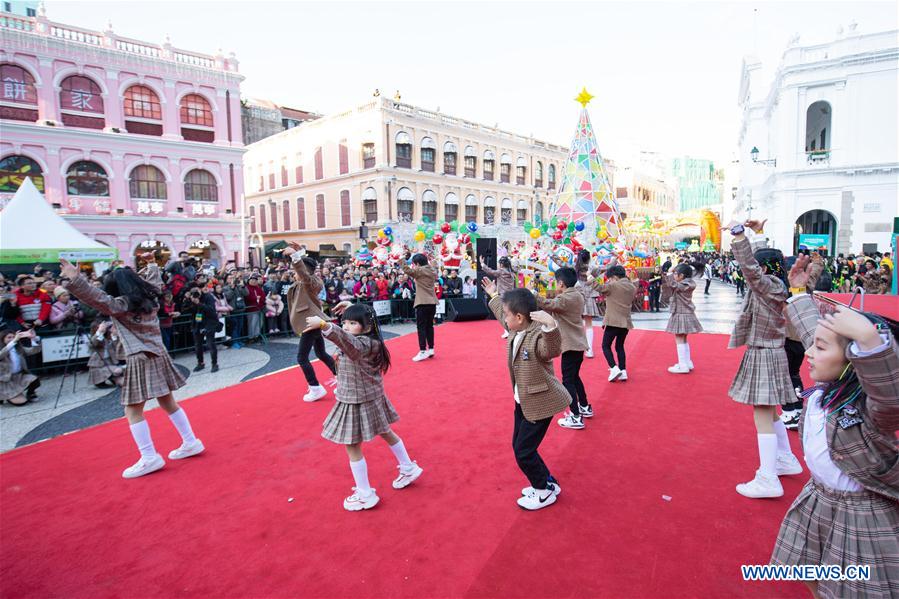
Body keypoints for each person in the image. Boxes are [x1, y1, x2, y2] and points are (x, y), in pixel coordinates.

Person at [769, 254, 899, 598]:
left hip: (861, 514)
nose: (808, 352)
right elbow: (812, 329)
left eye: (820, 347)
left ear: (855, 361)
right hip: (818, 497)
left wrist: (871, 341)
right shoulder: (828, 384)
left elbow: (890, 395)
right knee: (808, 568)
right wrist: (798, 292)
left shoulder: (871, 409)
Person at [60, 256, 204, 479]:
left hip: (139, 357)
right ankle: (190, 441)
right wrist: (152, 264)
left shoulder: (121, 305)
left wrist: (76, 279)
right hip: (158, 353)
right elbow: (154, 281)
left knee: (132, 410)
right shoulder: (151, 299)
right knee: (167, 401)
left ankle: (149, 457)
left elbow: (96, 297)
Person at [306, 303, 423, 511]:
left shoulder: (363, 344)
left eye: (353, 323)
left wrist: (325, 325)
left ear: (367, 326)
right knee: (385, 431)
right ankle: (408, 467)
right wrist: (354, 307)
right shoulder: (371, 340)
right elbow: (349, 339)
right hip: (369, 396)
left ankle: (365, 494)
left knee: (352, 444)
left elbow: (348, 342)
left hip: (357, 399)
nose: (347, 326)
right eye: (345, 322)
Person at [725, 219, 802, 499]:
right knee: (770, 412)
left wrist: (739, 235)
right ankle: (785, 459)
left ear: (764, 269)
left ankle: (768, 477)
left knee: (762, 414)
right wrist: (758, 234)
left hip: (764, 352)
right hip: (770, 351)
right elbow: (759, 264)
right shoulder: (775, 284)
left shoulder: (767, 285)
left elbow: (751, 267)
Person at [483, 280, 569, 510]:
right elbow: (502, 315)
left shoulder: (537, 334)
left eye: (508, 315)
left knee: (523, 451)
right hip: (522, 400)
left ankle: (542, 492)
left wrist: (551, 326)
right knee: (520, 446)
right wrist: (494, 295)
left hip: (540, 402)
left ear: (520, 317)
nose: (505, 319)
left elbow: (550, 350)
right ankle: (548, 482)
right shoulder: (516, 327)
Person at [534, 267, 591, 430]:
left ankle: (575, 416)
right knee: (574, 377)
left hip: (571, 344)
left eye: (556, 282)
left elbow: (549, 304)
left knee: (568, 381)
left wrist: (534, 294)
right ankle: (584, 406)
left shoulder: (567, 298)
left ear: (561, 283)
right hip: (577, 343)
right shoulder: (576, 295)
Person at [283, 243, 337, 402]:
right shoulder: (302, 283)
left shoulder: (311, 282)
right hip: (311, 322)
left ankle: (315, 388)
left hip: (310, 324)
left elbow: (303, 273)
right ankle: (342, 377)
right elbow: (302, 272)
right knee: (321, 353)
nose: (294, 272)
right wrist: (300, 253)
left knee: (302, 357)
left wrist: (295, 256)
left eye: (295, 270)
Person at [781, 254, 824, 430]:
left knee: (785, 376)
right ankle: (798, 408)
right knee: (794, 374)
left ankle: (789, 411)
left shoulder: (783, 288)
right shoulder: (807, 285)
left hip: (788, 337)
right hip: (802, 339)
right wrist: (817, 262)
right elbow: (815, 272)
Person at [595, 265, 636, 382]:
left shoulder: (614, 286)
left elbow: (598, 287)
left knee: (605, 346)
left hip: (613, 321)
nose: (609, 281)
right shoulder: (632, 287)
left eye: (610, 279)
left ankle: (614, 368)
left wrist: (589, 277)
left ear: (614, 277)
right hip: (625, 322)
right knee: (619, 346)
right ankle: (623, 371)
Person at [664, 264, 703, 374]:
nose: (674, 275)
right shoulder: (689, 283)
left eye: (676, 274)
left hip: (681, 314)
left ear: (681, 276)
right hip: (686, 313)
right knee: (684, 338)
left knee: (679, 338)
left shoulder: (683, 285)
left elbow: (671, 284)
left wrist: (669, 272)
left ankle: (683, 366)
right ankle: (687, 362)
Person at [403, 254, 438, 362]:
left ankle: (422, 351)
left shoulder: (420, 270)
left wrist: (401, 261)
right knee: (429, 326)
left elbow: (408, 271)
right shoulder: (432, 270)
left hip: (422, 302)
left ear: (417, 263)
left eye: (414, 264)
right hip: (432, 302)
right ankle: (431, 349)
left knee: (421, 327)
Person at [0, 328, 41, 405]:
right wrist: (14, 341)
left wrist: (33, 338)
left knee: (35, 379)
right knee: (21, 403)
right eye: (9, 337)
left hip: (18, 377)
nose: (12, 339)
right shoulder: (3, 350)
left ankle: (30, 393)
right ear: (2, 339)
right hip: (6, 380)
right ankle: (3, 396)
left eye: (13, 337)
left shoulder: (18, 348)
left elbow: (34, 351)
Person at [480, 256, 516, 339]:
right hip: (511, 295)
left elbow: (490, 271)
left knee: (503, 314)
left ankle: (507, 331)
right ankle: (510, 330)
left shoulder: (501, 271)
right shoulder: (511, 272)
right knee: (510, 313)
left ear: (501, 264)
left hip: (503, 296)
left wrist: (482, 264)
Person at [188, 289, 220, 373]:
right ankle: (200, 363)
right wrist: (189, 301)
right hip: (197, 324)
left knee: (211, 344)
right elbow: (186, 310)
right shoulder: (192, 299)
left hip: (209, 324)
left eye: (197, 291)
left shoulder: (208, 297)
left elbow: (211, 311)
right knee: (198, 345)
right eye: (193, 292)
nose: (195, 293)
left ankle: (214, 364)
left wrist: (199, 303)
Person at [87, 319, 124, 388]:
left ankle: (114, 379)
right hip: (99, 367)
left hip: (111, 364)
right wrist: (99, 332)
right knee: (119, 373)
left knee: (124, 381)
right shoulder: (96, 339)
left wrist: (114, 335)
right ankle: (100, 381)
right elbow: (93, 343)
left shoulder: (108, 339)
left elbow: (118, 349)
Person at [244, 274, 266, 341]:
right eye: (252, 280)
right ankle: (251, 337)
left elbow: (263, 296)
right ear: (249, 280)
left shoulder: (258, 288)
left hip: (259, 308)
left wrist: (260, 300)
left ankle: (257, 336)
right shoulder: (246, 288)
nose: (254, 281)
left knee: (259, 323)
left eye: (255, 280)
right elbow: (248, 297)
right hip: (251, 309)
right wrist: (256, 298)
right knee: (252, 324)